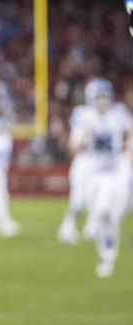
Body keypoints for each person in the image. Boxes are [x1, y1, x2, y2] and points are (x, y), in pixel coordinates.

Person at [58, 77, 127, 242]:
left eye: (105, 96)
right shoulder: (83, 115)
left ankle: (93, 228)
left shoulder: (118, 113)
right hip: (86, 164)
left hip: (109, 166)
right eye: (99, 97)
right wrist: (85, 140)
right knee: (79, 200)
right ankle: (68, 227)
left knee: (106, 201)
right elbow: (72, 149)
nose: (102, 101)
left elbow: (128, 135)